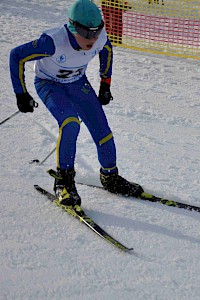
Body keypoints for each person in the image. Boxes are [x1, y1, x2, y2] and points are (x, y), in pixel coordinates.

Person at [9, 0, 143, 211]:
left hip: (77, 83)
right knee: (71, 123)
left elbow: (107, 50)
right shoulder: (52, 42)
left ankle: (110, 177)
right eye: (86, 33)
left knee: (103, 130)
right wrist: (21, 93)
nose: (92, 39)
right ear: (72, 28)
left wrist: (105, 84)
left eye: (96, 32)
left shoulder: (100, 38)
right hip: (49, 84)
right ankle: (63, 182)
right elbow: (16, 56)